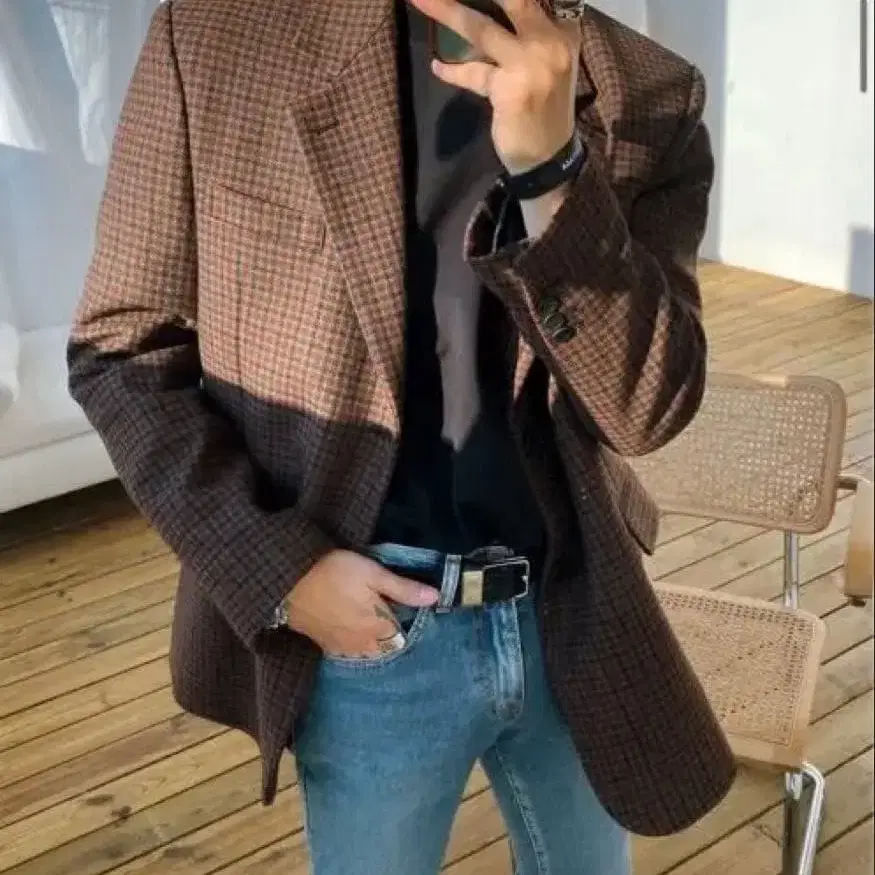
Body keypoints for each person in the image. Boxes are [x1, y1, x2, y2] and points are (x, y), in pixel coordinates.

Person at [68, 0, 736, 872]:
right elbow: (120, 354)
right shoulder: (216, 35)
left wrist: (553, 174)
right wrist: (282, 573)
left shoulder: (648, 90)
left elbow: (645, 409)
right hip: (365, 630)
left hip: (571, 604)